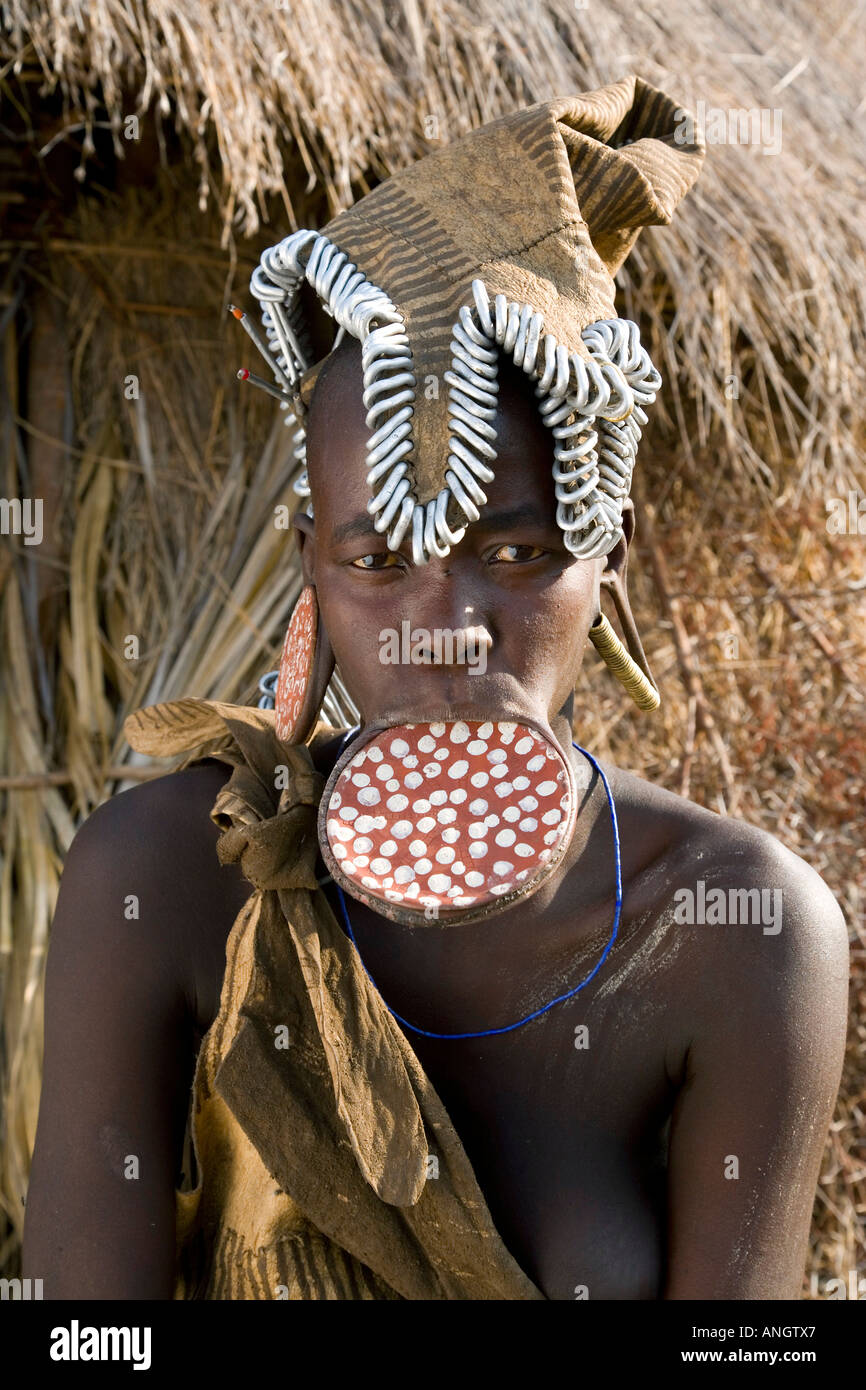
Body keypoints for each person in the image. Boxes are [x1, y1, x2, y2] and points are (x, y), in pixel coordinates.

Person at [23, 76, 849, 1301]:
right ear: (314, 567)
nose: (441, 634)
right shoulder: (160, 880)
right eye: (376, 563)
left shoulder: (737, 932)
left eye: (514, 556)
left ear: (604, 555)